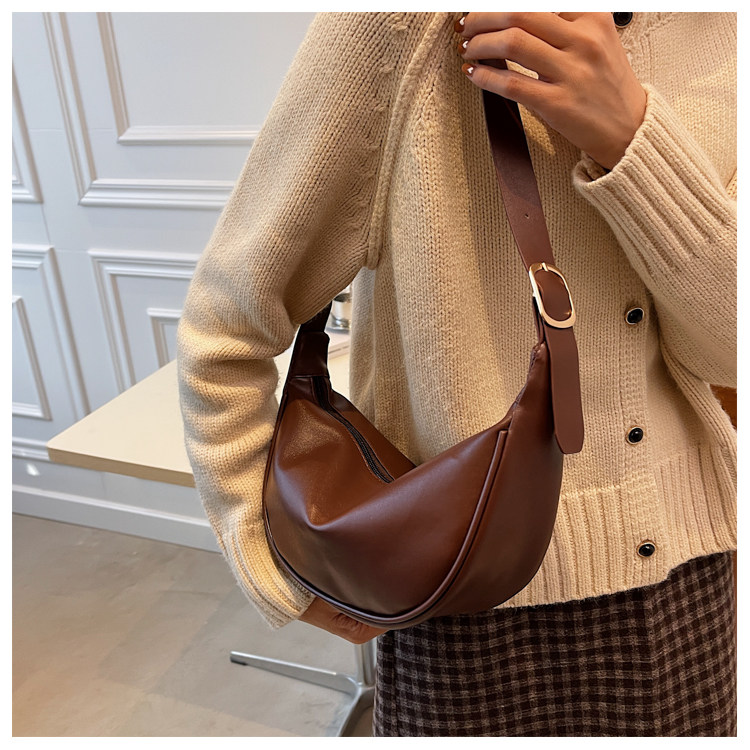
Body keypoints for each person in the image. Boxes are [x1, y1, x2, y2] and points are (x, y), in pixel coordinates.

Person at [176, 11, 736, 737]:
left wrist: (632, 137)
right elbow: (224, 324)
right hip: (464, 590)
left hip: (694, 577)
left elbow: (727, 355)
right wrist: (271, 554)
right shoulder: (404, 29)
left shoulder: (721, 33)